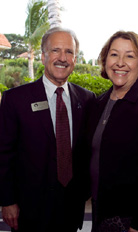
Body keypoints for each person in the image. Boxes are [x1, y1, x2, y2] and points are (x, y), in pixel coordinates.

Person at [0, 27, 95, 232]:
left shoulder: (87, 99)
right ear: (43, 57)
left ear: (75, 59)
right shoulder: (15, 100)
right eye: (55, 51)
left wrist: (84, 191)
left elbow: (88, 151)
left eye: (69, 52)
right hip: (29, 210)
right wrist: (7, 201)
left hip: (71, 208)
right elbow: (3, 154)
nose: (63, 57)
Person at [87, 31, 138, 232]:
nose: (120, 62)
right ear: (105, 60)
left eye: (130, 56)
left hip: (136, 220)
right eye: (114, 54)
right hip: (102, 213)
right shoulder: (98, 103)